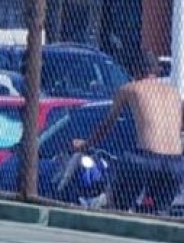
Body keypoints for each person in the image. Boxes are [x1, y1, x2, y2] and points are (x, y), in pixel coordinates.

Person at [72, 49, 184, 215]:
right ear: (157, 70)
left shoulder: (129, 89)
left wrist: (86, 144)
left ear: (134, 70)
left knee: (119, 207)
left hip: (144, 158)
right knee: (160, 211)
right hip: (175, 162)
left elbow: (107, 125)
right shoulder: (174, 93)